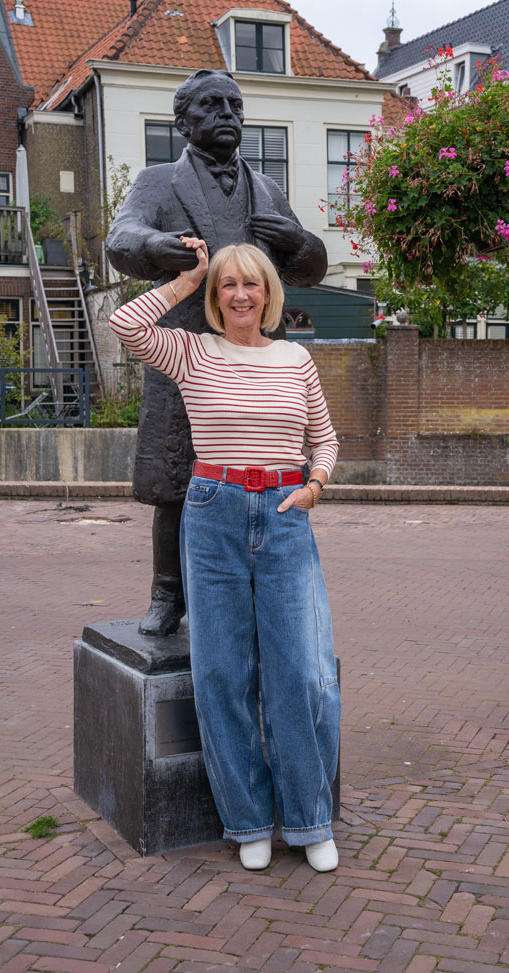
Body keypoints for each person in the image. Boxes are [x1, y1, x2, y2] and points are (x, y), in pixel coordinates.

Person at [109, 237, 341, 873]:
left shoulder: (295, 359)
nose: (241, 295)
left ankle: (308, 818)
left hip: (285, 510)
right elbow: (124, 322)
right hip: (212, 514)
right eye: (228, 285)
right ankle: (246, 821)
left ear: (269, 295)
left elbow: (324, 439)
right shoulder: (190, 353)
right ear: (216, 297)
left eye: (252, 284)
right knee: (221, 672)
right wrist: (190, 275)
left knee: (297, 670)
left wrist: (314, 487)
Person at [106, 69, 327, 638]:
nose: (227, 113)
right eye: (211, 105)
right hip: (182, 356)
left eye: (234, 104)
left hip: (253, 360)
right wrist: (158, 247)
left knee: (248, 476)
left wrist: (300, 244)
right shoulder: (158, 183)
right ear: (183, 121)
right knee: (174, 484)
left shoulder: (268, 190)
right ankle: (166, 593)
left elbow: (310, 268)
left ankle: (242, 591)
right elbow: (120, 238)